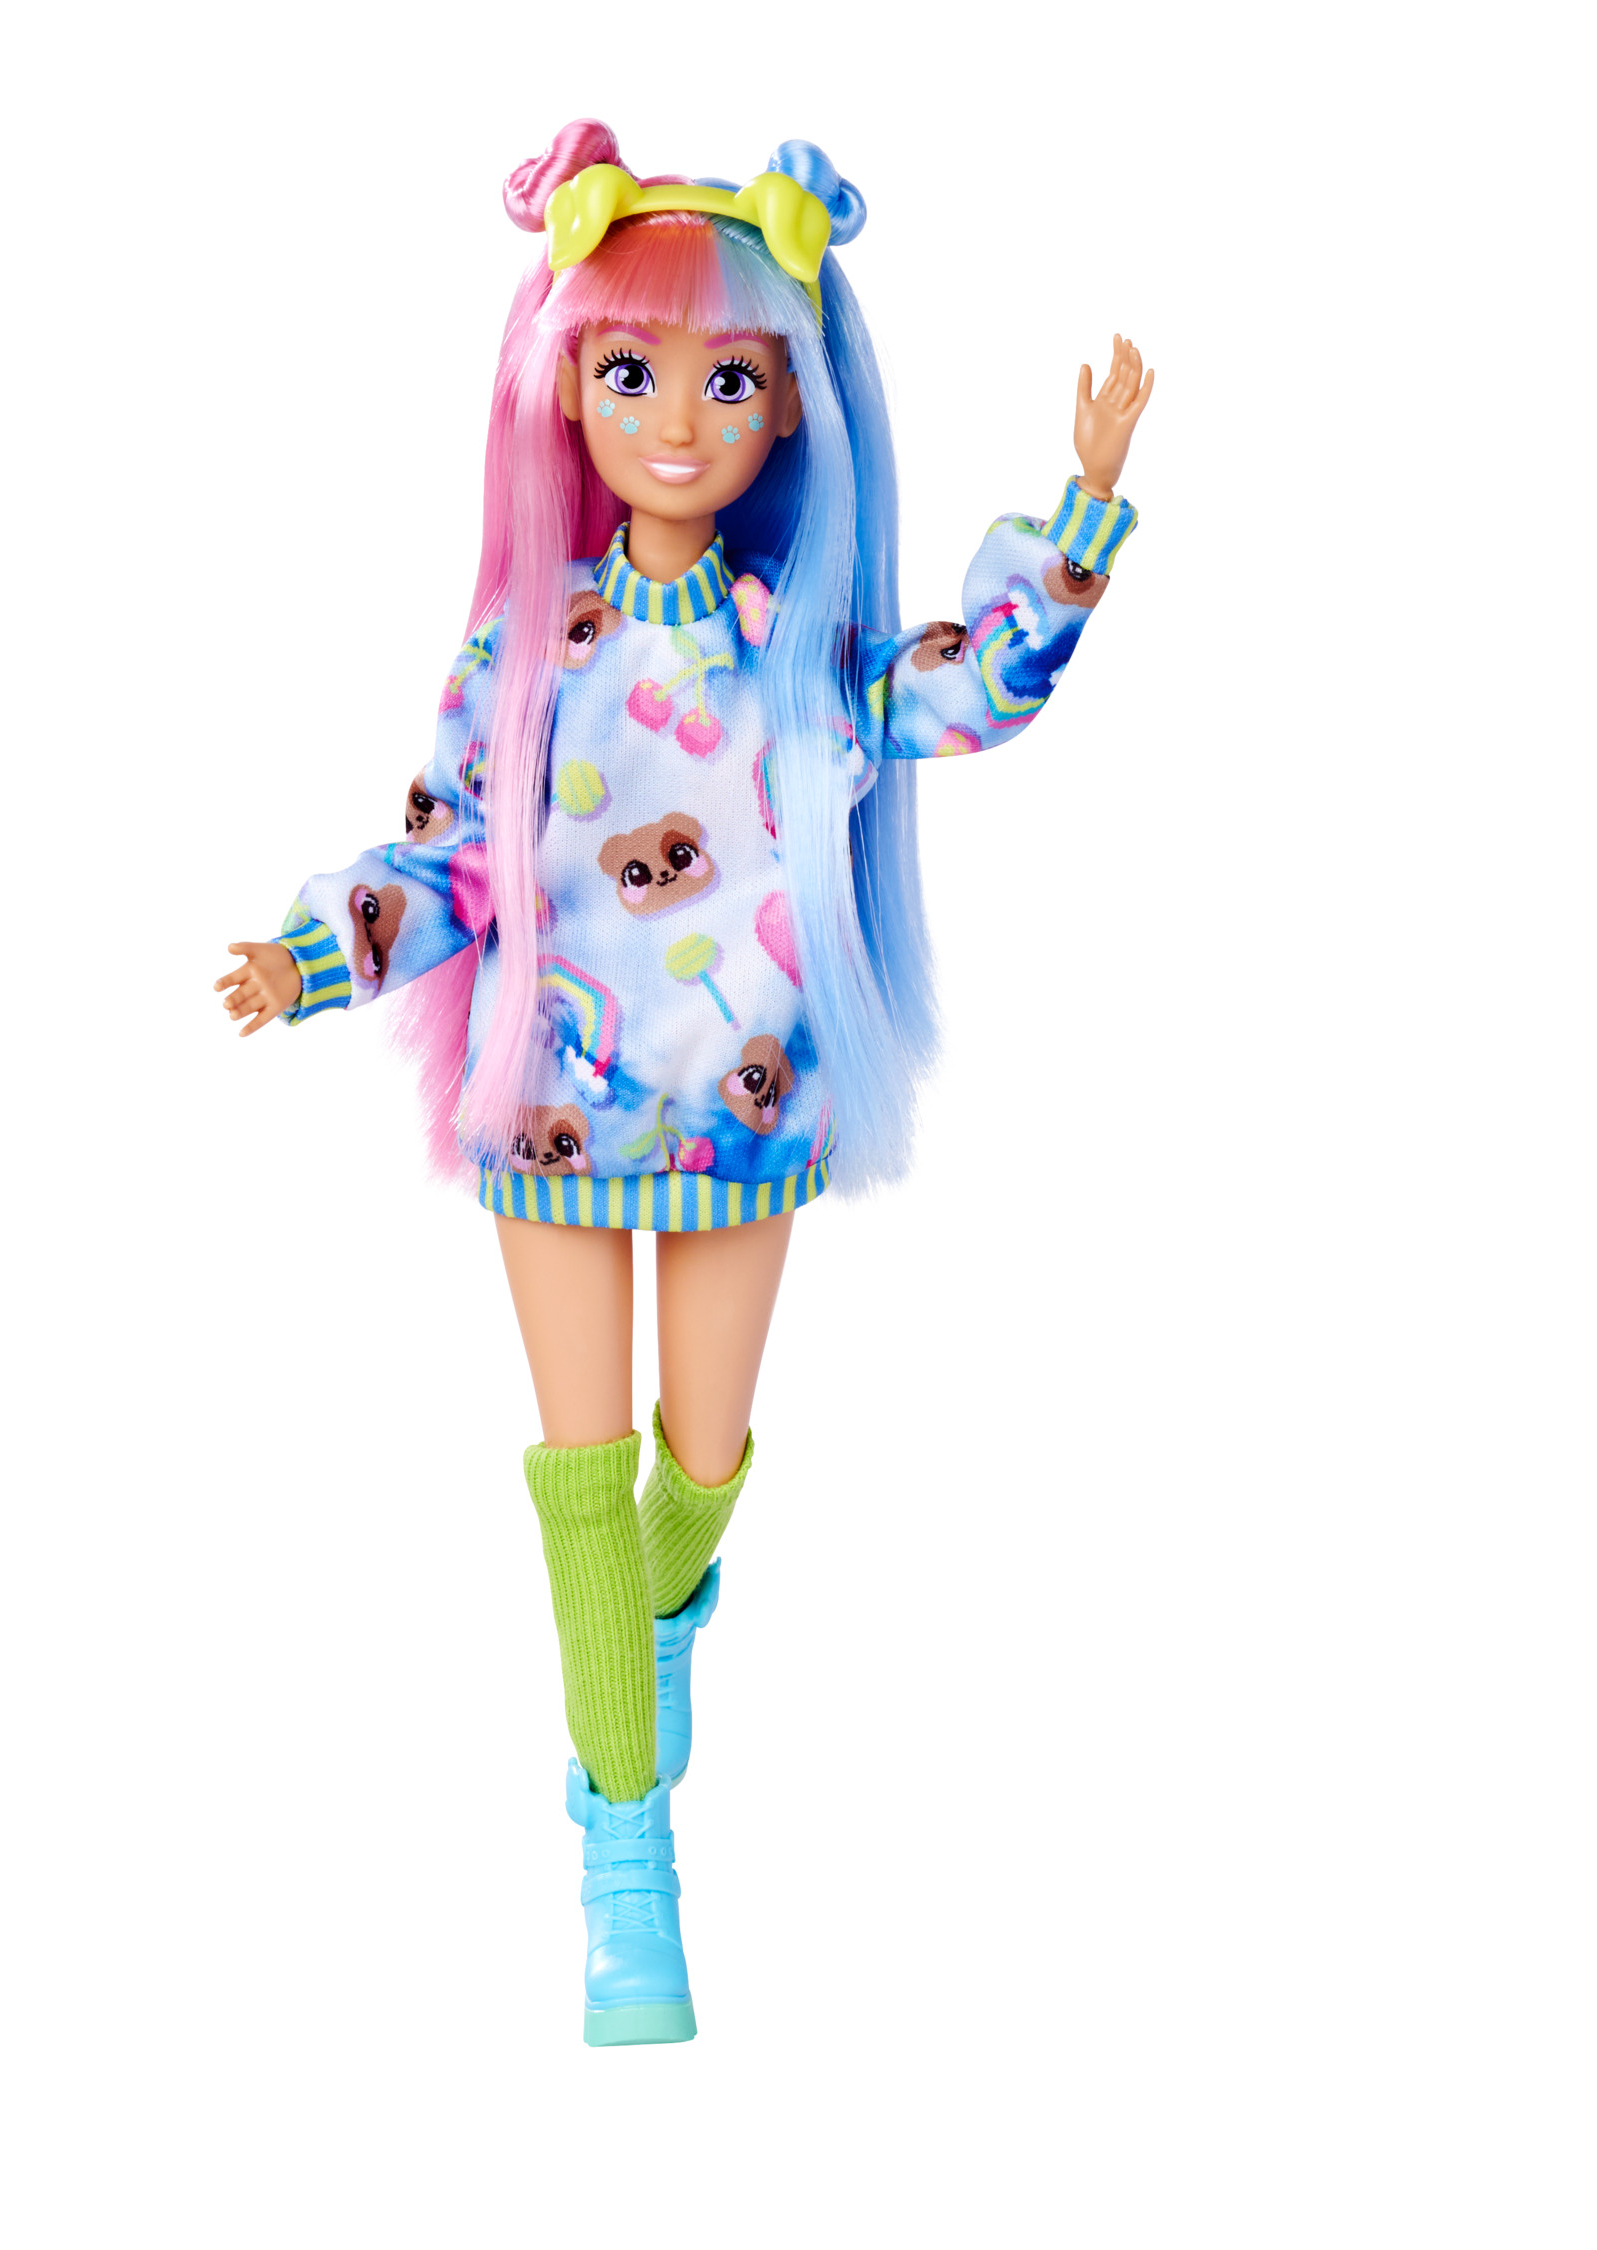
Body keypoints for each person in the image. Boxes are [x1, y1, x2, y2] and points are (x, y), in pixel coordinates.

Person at [215, 120, 1153, 2045]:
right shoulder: (528, 646)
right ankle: (625, 1863)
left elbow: (965, 694)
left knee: (698, 1463)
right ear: (567, 388)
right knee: (581, 1480)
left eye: (730, 380)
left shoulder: (800, 655)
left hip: (745, 1112)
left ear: (789, 407)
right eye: (631, 371)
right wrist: (314, 952)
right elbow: (446, 855)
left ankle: (653, 1626)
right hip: (549, 1111)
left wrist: (1076, 524)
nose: (675, 418)